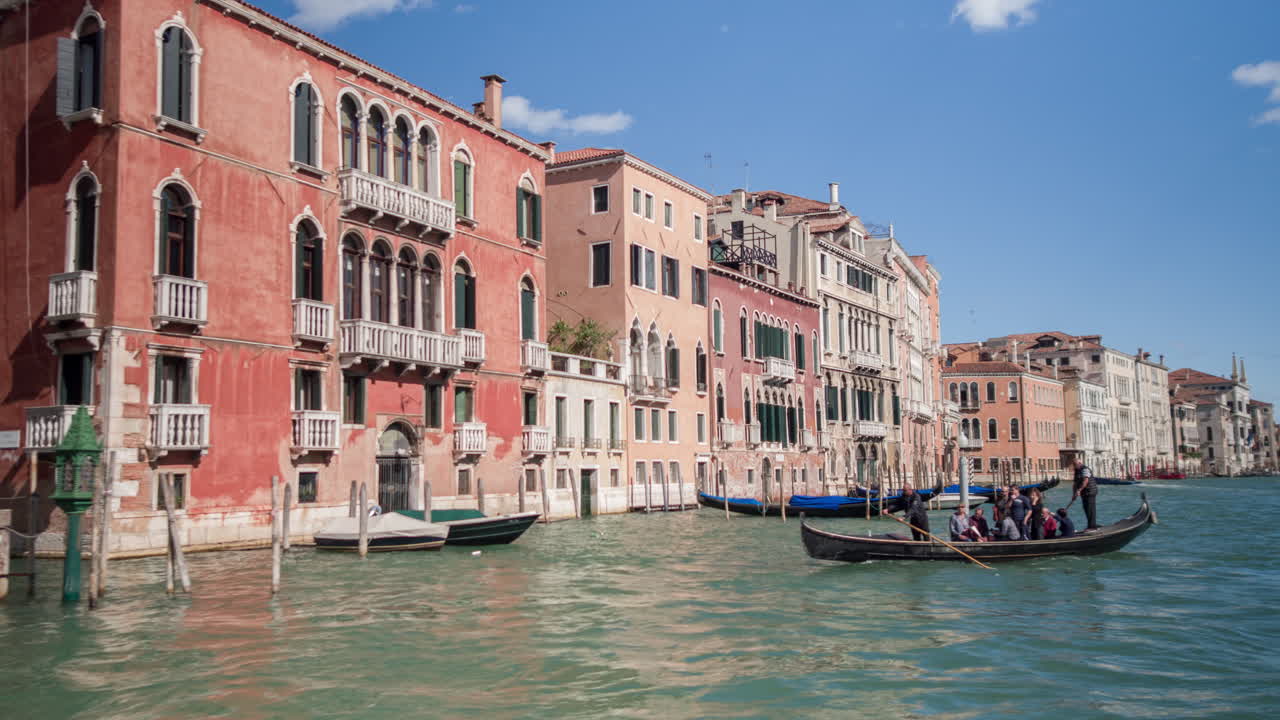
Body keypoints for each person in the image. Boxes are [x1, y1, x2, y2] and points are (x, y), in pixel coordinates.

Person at [1071, 458, 1099, 530]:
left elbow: (1085, 481)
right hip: (1084, 493)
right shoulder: (1077, 471)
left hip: (1090, 491)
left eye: (1075, 464)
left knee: (1090, 509)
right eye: (1073, 464)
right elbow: (1075, 484)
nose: (1074, 466)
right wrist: (1074, 494)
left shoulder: (1085, 469)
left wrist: (1079, 490)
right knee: (1086, 508)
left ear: (1080, 463)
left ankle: (1092, 526)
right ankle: (1091, 525)